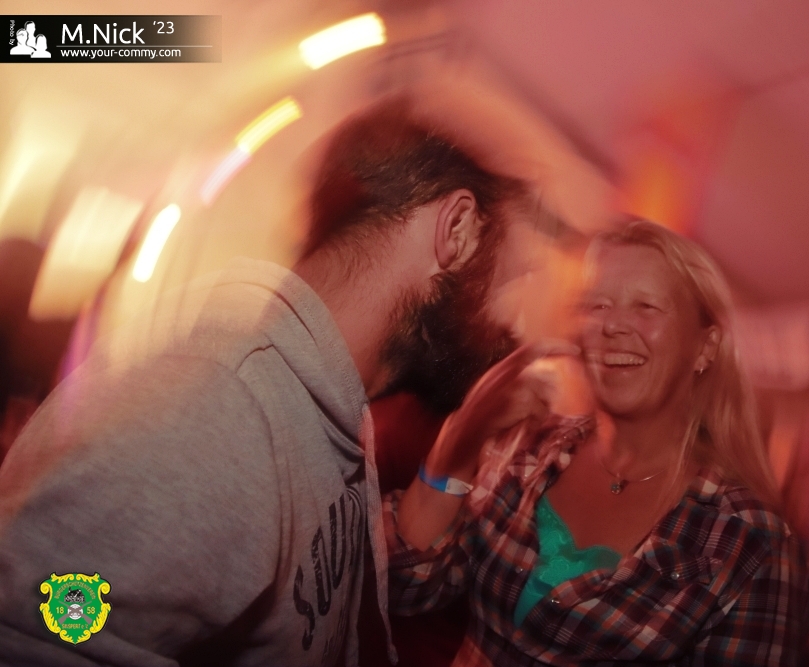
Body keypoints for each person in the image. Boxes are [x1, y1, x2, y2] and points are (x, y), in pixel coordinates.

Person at [0, 94, 538, 666]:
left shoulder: (319, 397)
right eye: (503, 282)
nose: (511, 325)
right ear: (457, 229)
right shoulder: (210, 411)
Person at [385, 220, 806, 665]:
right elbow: (405, 588)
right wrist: (459, 440)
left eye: (646, 306)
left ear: (704, 347)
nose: (613, 325)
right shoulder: (530, 448)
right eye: (598, 305)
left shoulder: (748, 541)